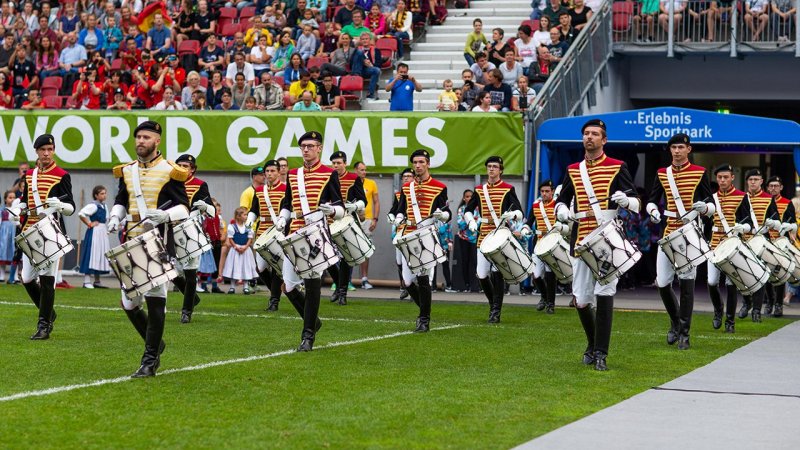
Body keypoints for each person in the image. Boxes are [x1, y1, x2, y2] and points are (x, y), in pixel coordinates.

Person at [106, 121, 190, 377]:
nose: (141, 141)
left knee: (156, 301)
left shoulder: (170, 171)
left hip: (157, 243)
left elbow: (184, 207)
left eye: (146, 137)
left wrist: (165, 216)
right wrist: (115, 215)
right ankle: (156, 343)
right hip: (131, 241)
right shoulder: (128, 171)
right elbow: (122, 200)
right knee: (128, 302)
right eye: (138, 137)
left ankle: (150, 360)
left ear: (157, 141)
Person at [554, 119, 639, 371]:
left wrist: (627, 201)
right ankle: (592, 344)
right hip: (580, 238)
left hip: (608, 239)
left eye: (595, 134)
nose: (589, 137)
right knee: (580, 299)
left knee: (605, 293)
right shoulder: (573, 169)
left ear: (604, 140)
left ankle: (601, 353)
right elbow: (562, 199)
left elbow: (636, 203)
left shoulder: (617, 166)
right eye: (586, 134)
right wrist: (560, 210)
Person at [645, 133, 714, 350]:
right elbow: (652, 199)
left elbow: (711, 204)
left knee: (686, 283)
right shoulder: (662, 173)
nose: (676, 151)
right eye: (673, 147)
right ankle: (675, 321)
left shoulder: (700, 172)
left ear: (688, 149)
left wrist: (705, 208)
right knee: (663, 282)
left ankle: (684, 332)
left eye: (680, 147)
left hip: (690, 232)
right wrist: (653, 210)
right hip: (668, 230)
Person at [278, 130, 344, 351]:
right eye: (303, 146)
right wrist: (282, 218)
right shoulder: (293, 174)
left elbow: (341, 208)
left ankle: (308, 336)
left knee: (312, 282)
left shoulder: (329, 173)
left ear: (319, 148)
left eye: (310, 146)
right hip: (294, 233)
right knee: (288, 286)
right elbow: (287, 202)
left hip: (316, 234)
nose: (306, 150)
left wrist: (332, 209)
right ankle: (313, 322)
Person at [12, 134, 75, 340]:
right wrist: (20, 207)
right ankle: (48, 312)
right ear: (37, 152)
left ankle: (44, 326)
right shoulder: (29, 175)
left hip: (51, 232)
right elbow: (25, 199)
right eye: (42, 150)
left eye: (49, 149)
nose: (46, 153)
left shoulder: (62, 175)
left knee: (48, 280)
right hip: (29, 230)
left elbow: (71, 208)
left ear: (54, 150)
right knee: (27, 278)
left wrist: (61, 205)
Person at [390, 149, 451, 332]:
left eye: (421, 162)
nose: (418, 166)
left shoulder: (440, 187)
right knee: (408, 282)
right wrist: (399, 217)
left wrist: (443, 215)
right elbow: (401, 208)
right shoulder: (406, 188)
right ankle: (425, 308)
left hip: (426, 236)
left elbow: (447, 213)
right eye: (415, 162)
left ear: (428, 164)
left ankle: (424, 319)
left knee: (423, 278)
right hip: (408, 234)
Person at [463, 156, 523, 323]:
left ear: (501, 170)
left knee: (497, 273)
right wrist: (470, 222)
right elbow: (468, 210)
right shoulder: (479, 190)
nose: (491, 169)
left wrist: (512, 214)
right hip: (483, 235)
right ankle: (493, 304)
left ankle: (496, 310)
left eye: (495, 166)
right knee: (482, 274)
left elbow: (520, 212)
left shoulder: (508, 189)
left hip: (500, 235)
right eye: (489, 166)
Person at [706, 164, 752, 333]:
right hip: (714, 244)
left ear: (732, 177)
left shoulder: (741, 196)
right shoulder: (711, 198)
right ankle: (718, 310)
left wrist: (743, 228)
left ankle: (730, 321)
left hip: (732, 245)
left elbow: (750, 223)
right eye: (720, 177)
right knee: (711, 282)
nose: (723, 180)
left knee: (731, 283)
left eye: (726, 177)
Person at [174, 154, 215, 324]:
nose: (183, 168)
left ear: (193, 168)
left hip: (191, 230)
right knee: (170, 271)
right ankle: (192, 298)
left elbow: (212, 212)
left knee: (191, 271)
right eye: (180, 165)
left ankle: (186, 311)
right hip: (171, 229)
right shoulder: (170, 182)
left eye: (187, 165)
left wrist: (205, 206)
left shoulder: (200, 185)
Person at [739, 169, 780, 322]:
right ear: (747, 181)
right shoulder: (741, 198)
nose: (753, 182)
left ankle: (756, 310)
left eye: (756, 179)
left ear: (762, 181)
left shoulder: (769, 199)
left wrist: (772, 223)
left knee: (761, 276)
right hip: (744, 241)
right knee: (744, 275)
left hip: (762, 241)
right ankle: (746, 303)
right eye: (750, 179)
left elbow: (777, 222)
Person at [328, 151, 367, 305]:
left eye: (339, 163)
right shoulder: (328, 177)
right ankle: (338, 285)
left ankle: (342, 291)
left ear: (345, 163)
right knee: (328, 256)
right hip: (330, 221)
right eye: (334, 163)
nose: (336, 166)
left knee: (346, 257)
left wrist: (355, 206)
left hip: (347, 221)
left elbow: (364, 201)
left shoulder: (354, 179)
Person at [246, 159, 286, 311]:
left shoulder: (285, 188)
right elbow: (254, 209)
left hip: (278, 231)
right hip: (262, 230)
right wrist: (250, 219)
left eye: (272, 171)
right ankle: (276, 292)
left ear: (278, 172)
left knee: (276, 266)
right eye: (267, 172)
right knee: (261, 268)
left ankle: (274, 300)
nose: (269, 174)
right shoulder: (259, 190)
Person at [522, 180, 564, 314]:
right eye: (542, 191)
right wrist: (525, 228)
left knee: (550, 275)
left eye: (547, 191)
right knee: (536, 275)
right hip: (539, 243)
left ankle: (551, 304)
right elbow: (529, 222)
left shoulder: (558, 205)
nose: (544, 194)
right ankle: (544, 297)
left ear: (552, 192)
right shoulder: (535, 205)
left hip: (553, 244)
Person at [764, 175, 795, 318]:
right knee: (766, 274)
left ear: (781, 187)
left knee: (780, 275)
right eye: (771, 186)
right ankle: (769, 301)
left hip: (781, 243)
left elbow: (794, 224)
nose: (773, 188)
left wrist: (787, 226)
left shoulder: (787, 203)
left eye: (776, 186)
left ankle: (778, 304)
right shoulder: (763, 201)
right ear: (767, 187)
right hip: (765, 242)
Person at [389, 168, 415, 299]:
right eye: (404, 176)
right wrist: (391, 216)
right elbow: (394, 209)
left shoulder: (416, 192)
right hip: (400, 231)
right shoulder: (399, 194)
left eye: (409, 176)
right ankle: (404, 285)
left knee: (411, 260)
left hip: (412, 230)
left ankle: (412, 287)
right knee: (399, 261)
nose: (406, 178)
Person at [78, 185, 111, 289]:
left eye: (105, 193)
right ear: (96, 195)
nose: (104, 195)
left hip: (102, 232)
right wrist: (89, 223)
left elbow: (107, 219)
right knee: (91, 254)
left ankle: (97, 281)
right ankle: (86, 281)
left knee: (100, 254)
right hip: (94, 233)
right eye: (101, 193)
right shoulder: (93, 205)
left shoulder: (104, 206)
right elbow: (81, 214)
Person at [354, 161, 379, 289]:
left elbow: (376, 202)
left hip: (367, 220)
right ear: (355, 170)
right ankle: (344, 280)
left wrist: (375, 219)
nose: (364, 172)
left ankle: (364, 279)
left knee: (366, 249)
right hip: (352, 219)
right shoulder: (351, 181)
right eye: (361, 170)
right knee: (349, 249)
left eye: (365, 170)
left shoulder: (371, 183)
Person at [223, 207, 258, 294]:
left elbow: (250, 238)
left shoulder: (248, 226)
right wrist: (235, 247)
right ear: (238, 216)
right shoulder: (232, 227)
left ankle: (246, 286)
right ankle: (232, 287)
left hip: (245, 250)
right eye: (245, 215)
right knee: (234, 267)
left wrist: (246, 247)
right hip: (235, 250)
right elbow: (230, 238)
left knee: (246, 267)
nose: (246, 216)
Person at [0, 190, 16, 281]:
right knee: (3, 252)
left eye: (14, 197)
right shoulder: (2, 210)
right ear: (5, 199)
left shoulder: (16, 210)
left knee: (14, 253)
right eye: (10, 197)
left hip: (14, 233)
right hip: (4, 235)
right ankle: (2, 275)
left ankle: (14, 276)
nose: (12, 199)